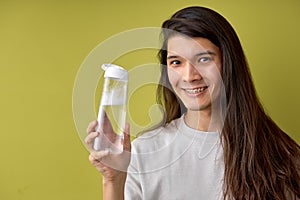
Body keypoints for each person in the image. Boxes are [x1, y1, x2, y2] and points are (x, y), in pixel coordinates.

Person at [85, 6, 300, 200]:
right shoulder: (142, 153)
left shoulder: (282, 156)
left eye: (204, 59)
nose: (190, 76)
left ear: (228, 63)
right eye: (176, 62)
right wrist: (113, 179)